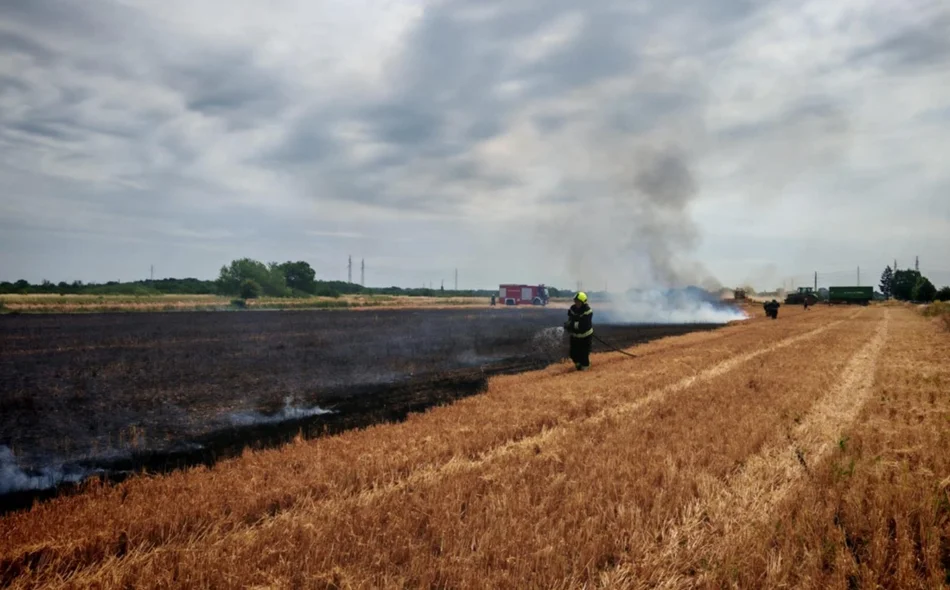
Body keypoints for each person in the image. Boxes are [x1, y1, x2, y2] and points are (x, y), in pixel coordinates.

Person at [564, 292, 594, 370]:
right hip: (575, 336)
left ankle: (585, 370)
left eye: (578, 301)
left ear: (583, 302)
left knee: (584, 355)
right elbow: (570, 319)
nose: (576, 303)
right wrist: (568, 324)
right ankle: (578, 365)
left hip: (585, 337)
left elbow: (583, 325)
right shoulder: (572, 309)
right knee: (573, 354)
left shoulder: (588, 311)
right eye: (575, 301)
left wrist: (571, 325)